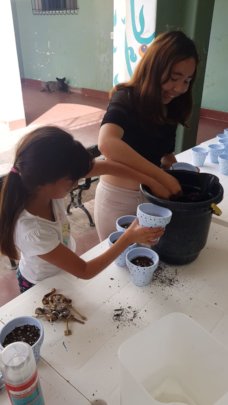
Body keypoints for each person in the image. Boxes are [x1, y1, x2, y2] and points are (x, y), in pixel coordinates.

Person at [0, 126, 164, 293]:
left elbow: (108, 167)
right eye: (73, 180)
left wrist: (151, 181)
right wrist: (128, 237)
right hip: (41, 285)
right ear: (47, 181)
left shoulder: (45, 185)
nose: (77, 183)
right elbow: (85, 271)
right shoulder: (32, 231)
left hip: (62, 271)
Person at [94, 30, 199, 240]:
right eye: (173, 78)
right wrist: (158, 177)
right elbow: (107, 143)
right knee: (117, 265)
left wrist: (174, 170)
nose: (179, 88)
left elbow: (163, 152)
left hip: (153, 198)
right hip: (118, 198)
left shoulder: (171, 105)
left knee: (149, 260)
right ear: (153, 68)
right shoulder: (126, 97)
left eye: (187, 80)